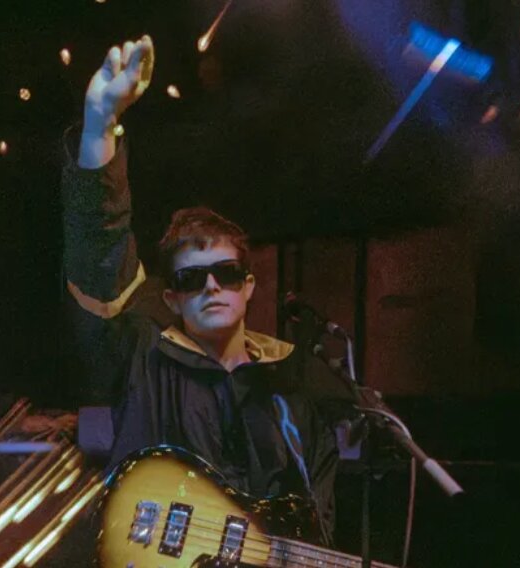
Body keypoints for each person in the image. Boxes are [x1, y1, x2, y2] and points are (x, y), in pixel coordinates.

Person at [61, 35, 355, 545]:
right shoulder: (146, 359)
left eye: (227, 273)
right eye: (191, 278)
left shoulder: (291, 387)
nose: (212, 286)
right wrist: (99, 127)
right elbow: (100, 253)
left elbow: (317, 526)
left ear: (249, 287)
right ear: (171, 297)